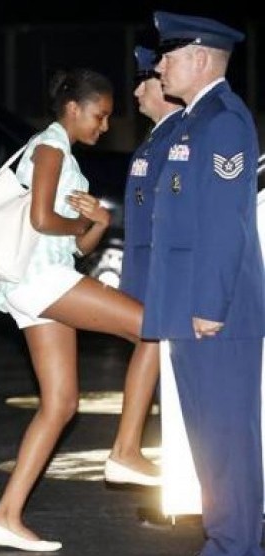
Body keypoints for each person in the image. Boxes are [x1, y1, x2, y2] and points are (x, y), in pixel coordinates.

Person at [0, 68, 162, 552]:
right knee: (153, 329)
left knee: (60, 404)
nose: (104, 127)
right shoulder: (49, 147)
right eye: (100, 116)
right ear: (73, 109)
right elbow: (43, 218)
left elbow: (74, 244)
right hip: (40, 281)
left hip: (39, 280)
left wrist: (97, 223)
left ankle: (5, 517)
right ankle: (126, 450)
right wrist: (76, 219)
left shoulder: (62, 154)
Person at [145, 11, 265, 556]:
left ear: (198, 58)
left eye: (168, 56)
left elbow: (224, 221)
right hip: (191, 307)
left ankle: (236, 545)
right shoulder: (194, 121)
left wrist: (211, 304)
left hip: (219, 310)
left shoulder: (223, 122)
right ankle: (226, 541)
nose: (160, 66)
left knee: (227, 442)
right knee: (207, 441)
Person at [105, 45, 184, 486]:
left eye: (145, 81)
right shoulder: (160, 139)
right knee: (150, 348)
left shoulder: (174, 138)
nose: (136, 91)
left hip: (155, 272)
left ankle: (130, 447)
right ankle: (129, 448)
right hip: (146, 273)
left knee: (153, 350)